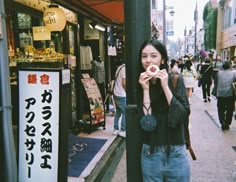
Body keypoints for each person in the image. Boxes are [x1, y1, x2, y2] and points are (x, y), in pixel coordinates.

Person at [137, 39, 190, 181]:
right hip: (151, 153)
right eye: (144, 56)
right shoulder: (140, 83)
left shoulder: (175, 80)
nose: (148, 60)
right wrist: (146, 90)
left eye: (153, 56)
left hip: (176, 153)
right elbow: (147, 123)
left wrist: (166, 86)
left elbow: (182, 115)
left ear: (162, 60)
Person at [215, 61, 236, 130]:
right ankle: (227, 123)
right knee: (230, 109)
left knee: (220, 109)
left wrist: (216, 92)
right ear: (230, 66)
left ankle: (222, 121)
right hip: (230, 94)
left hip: (220, 93)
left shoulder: (219, 73)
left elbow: (216, 83)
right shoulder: (234, 73)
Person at [112, 61, 126, 138]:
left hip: (116, 92)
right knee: (125, 112)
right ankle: (123, 130)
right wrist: (127, 91)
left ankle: (115, 129)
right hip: (121, 94)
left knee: (118, 111)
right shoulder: (124, 69)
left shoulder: (119, 67)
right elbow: (124, 83)